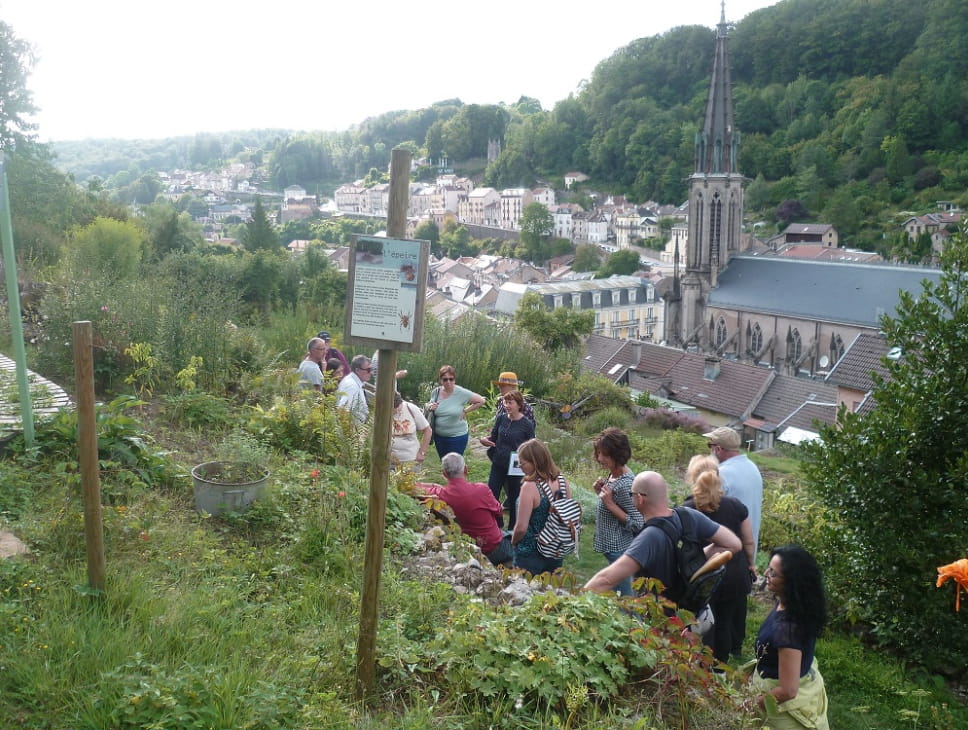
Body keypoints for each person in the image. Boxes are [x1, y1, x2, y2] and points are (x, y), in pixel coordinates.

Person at [583, 471, 741, 602]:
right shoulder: (689, 516)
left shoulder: (649, 537)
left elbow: (606, 579)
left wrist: (573, 604)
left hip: (659, 622)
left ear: (640, 498)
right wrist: (692, 564)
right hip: (689, 616)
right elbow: (733, 544)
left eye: (631, 494)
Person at [683, 455, 757, 663]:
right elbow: (748, 542)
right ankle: (721, 666)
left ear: (693, 477)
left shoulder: (687, 508)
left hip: (704, 574)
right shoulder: (735, 505)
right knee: (725, 621)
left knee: (703, 622)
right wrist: (750, 564)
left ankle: (700, 665)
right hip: (734, 572)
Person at [751, 545, 829, 729]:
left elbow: (788, 690)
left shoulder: (788, 629)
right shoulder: (794, 604)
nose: (765, 574)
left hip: (784, 716)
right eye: (768, 568)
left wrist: (751, 704)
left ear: (792, 582)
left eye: (773, 573)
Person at [705, 425, 763, 657]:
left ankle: (720, 649)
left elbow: (712, 508)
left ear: (718, 449)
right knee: (740, 596)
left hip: (728, 545)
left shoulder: (724, 474)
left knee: (723, 601)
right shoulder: (752, 468)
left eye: (710, 447)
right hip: (749, 541)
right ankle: (737, 645)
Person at [416, 453, 513, 566]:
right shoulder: (482, 490)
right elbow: (498, 511)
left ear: (444, 474)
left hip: (468, 548)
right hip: (493, 547)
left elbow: (419, 487)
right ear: (465, 469)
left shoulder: (440, 495)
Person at [591, 428, 643, 597]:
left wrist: (610, 504)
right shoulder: (614, 475)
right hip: (613, 549)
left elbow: (638, 523)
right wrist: (602, 493)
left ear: (618, 454)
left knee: (625, 600)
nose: (600, 458)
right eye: (599, 453)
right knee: (617, 596)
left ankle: (635, 622)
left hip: (620, 550)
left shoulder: (627, 484)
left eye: (605, 455)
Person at [511, 438, 571, 576]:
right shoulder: (562, 481)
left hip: (530, 553)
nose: (519, 466)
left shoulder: (530, 487)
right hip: (555, 551)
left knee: (524, 593)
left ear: (535, 462)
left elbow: (521, 528)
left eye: (522, 463)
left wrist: (513, 542)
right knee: (550, 594)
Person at [480, 390, 535, 528]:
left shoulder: (527, 424)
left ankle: (513, 529)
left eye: (510, 402)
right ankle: (496, 522)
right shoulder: (501, 418)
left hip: (516, 466)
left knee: (514, 497)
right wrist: (484, 440)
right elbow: (493, 437)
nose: (507, 405)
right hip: (498, 462)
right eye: (505, 402)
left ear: (519, 405)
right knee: (492, 493)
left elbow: (531, 447)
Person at [425, 365, 485, 459]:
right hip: (439, 437)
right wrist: (430, 407)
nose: (448, 382)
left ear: (454, 379)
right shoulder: (436, 392)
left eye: (451, 379)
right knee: (444, 463)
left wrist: (465, 411)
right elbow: (429, 404)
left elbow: (481, 401)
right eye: (445, 379)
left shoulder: (461, 393)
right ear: (441, 380)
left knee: (454, 465)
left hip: (457, 436)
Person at [391, 392, 432, 468]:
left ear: (401, 403)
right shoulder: (382, 411)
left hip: (411, 460)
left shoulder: (411, 408)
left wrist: (421, 453)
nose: (395, 411)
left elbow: (428, 431)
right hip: (389, 461)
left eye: (397, 408)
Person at [336, 354, 373, 423]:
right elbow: (342, 411)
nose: (371, 373)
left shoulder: (353, 381)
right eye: (368, 370)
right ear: (357, 370)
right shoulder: (352, 386)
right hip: (354, 431)